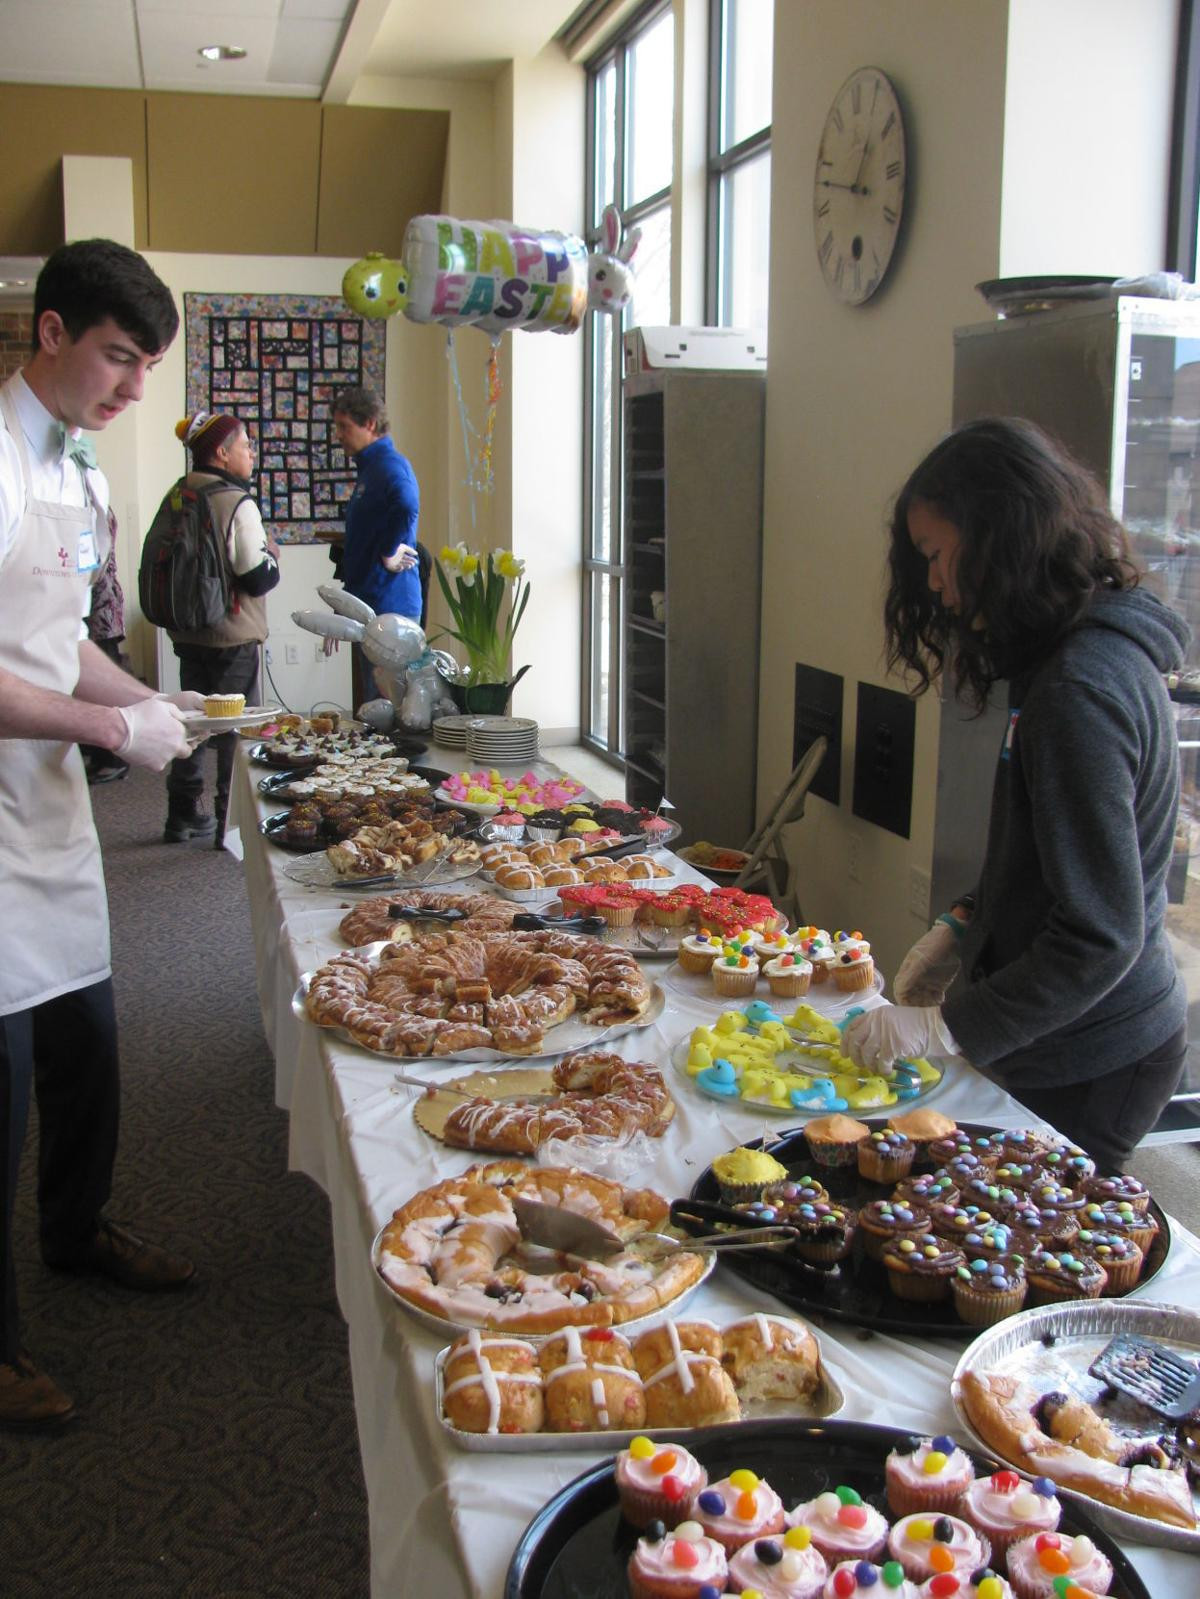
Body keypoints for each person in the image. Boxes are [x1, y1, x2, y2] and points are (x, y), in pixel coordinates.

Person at [843, 417, 1189, 1174]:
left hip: (1101, 1047)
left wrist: (949, 1027)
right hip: (1068, 1026)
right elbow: (1056, 855)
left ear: (997, 535)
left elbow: (1103, 931)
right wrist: (970, 924)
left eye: (936, 555)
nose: (932, 582)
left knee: (1024, 1233)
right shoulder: (1061, 663)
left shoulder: (1079, 691)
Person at [0, 238, 201, 1430]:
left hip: (50, 815)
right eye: (120, 359)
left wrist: (136, 700)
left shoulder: (74, 472)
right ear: (51, 334)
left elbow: (53, 637)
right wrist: (104, 725)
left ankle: (75, 1233)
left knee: (89, 1044)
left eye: (148, 366)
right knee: (2, 1091)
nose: (135, 389)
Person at [163, 410, 280, 846]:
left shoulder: (179, 493)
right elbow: (255, 576)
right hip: (233, 633)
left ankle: (181, 814)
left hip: (188, 630)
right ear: (221, 452)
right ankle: (229, 820)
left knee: (192, 721)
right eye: (246, 444)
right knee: (236, 729)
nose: (251, 452)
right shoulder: (235, 501)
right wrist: (271, 556)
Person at [331, 385, 420, 703]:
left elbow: (407, 504)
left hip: (389, 608)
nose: (339, 435)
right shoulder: (371, 469)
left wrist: (389, 551)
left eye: (344, 426)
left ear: (369, 423)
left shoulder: (389, 466)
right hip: (369, 606)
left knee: (388, 712)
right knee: (372, 711)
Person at [79, 512, 131, 784]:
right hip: (93, 608)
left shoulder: (97, 507)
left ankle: (112, 758)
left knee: (104, 688)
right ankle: (98, 754)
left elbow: (93, 563)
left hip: (101, 610)